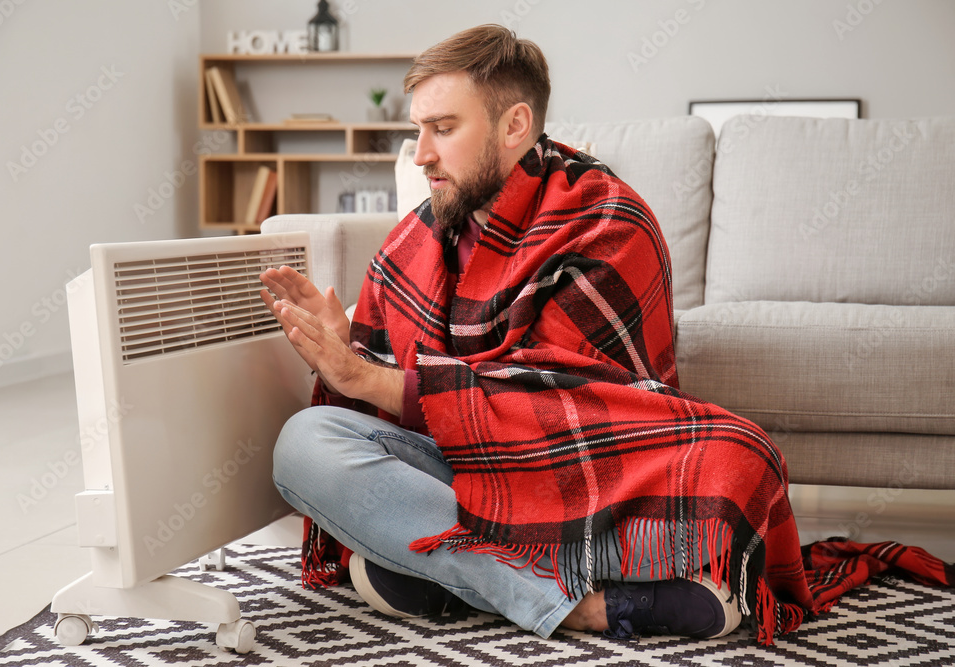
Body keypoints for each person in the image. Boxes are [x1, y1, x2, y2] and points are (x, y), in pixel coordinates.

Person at [259, 25, 952, 644]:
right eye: (418, 130)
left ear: (514, 124)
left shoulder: (610, 220)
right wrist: (347, 353)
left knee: (742, 461)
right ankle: (584, 606)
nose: (422, 154)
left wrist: (371, 379)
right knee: (305, 444)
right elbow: (382, 411)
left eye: (442, 128)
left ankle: (434, 572)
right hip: (456, 479)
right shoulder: (417, 233)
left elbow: (568, 405)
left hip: (583, 489)